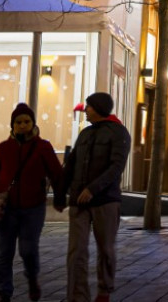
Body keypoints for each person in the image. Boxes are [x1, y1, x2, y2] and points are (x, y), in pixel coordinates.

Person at [0, 103, 65, 302]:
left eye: (26, 122)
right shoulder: (3, 148)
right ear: (12, 125)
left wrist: (59, 196)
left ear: (33, 123)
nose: (22, 126)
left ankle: (32, 278)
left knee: (28, 250)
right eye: (18, 122)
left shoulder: (43, 147)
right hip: (7, 208)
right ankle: (5, 293)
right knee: (4, 253)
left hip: (33, 207)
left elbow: (56, 172)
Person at [60, 92, 130, 302]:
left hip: (105, 200)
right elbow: (72, 163)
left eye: (89, 106)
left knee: (106, 249)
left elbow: (116, 167)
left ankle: (104, 290)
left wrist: (93, 189)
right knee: (76, 251)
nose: (86, 110)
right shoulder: (85, 134)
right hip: (78, 201)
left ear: (99, 108)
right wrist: (62, 191)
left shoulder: (118, 133)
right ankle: (77, 295)